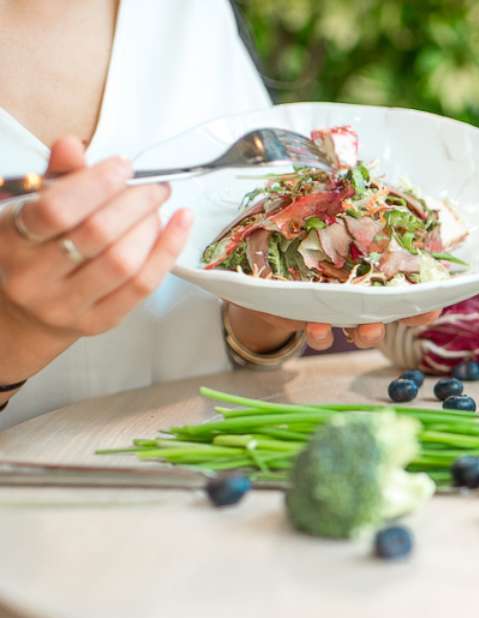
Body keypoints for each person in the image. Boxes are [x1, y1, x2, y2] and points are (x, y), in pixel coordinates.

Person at [0, 0, 436, 431]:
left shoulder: (194, 11)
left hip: (209, 470)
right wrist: (12, 339)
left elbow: (224, 330)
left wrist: (263, 316)